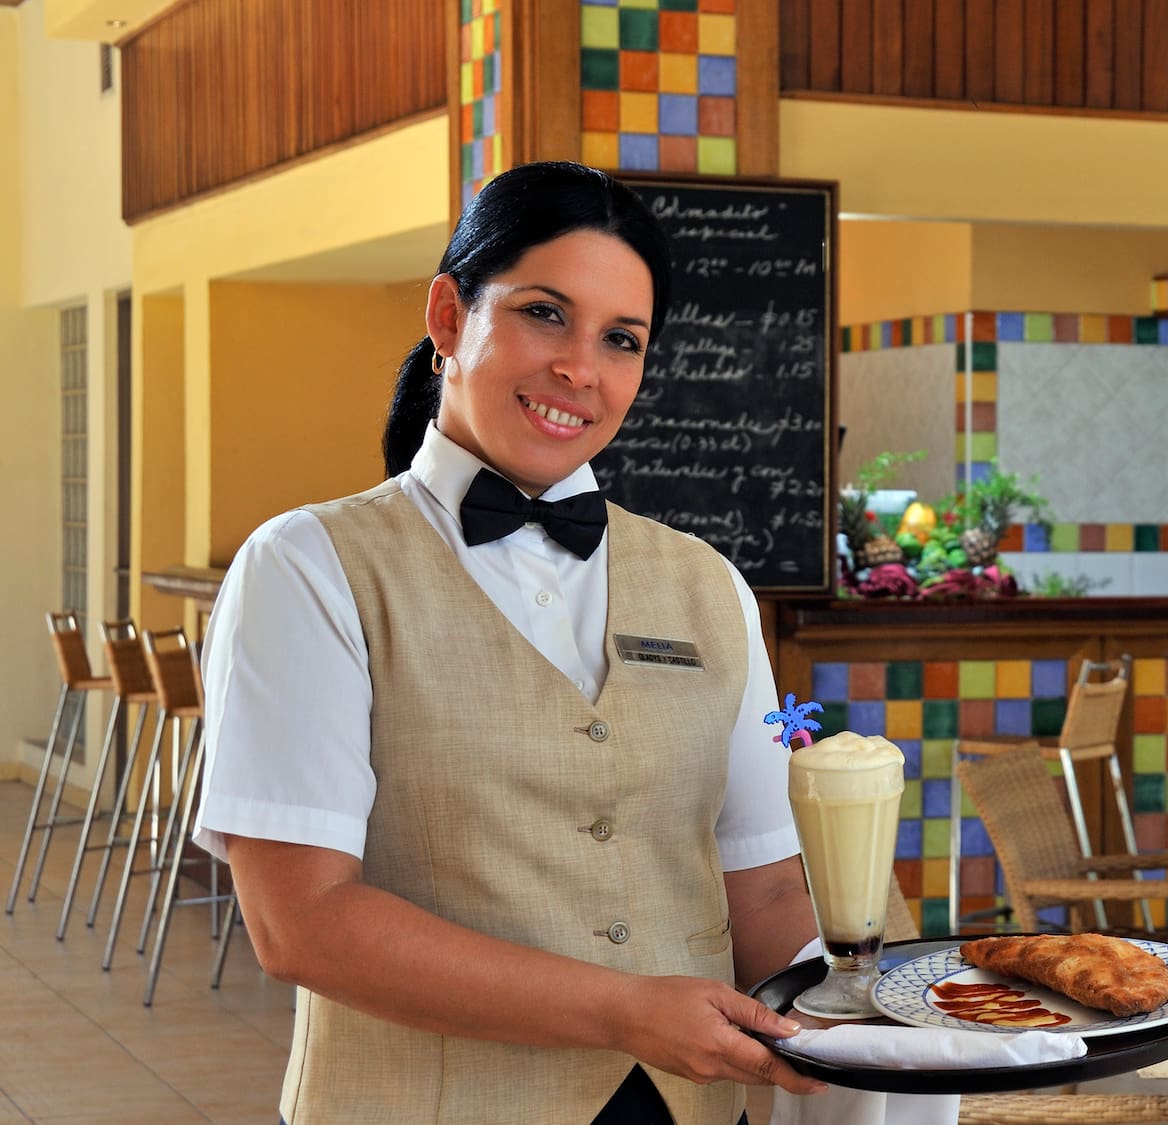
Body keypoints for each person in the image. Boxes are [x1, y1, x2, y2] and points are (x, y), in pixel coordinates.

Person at [192, 161, 827, 1124]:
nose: (581, 367)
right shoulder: (311, 568)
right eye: (543, 313)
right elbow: (302, 923)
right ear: (448, 317)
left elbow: (769, 885)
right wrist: (624, 1009)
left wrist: (866, 1041)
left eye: (622, 339)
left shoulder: (711, 586)